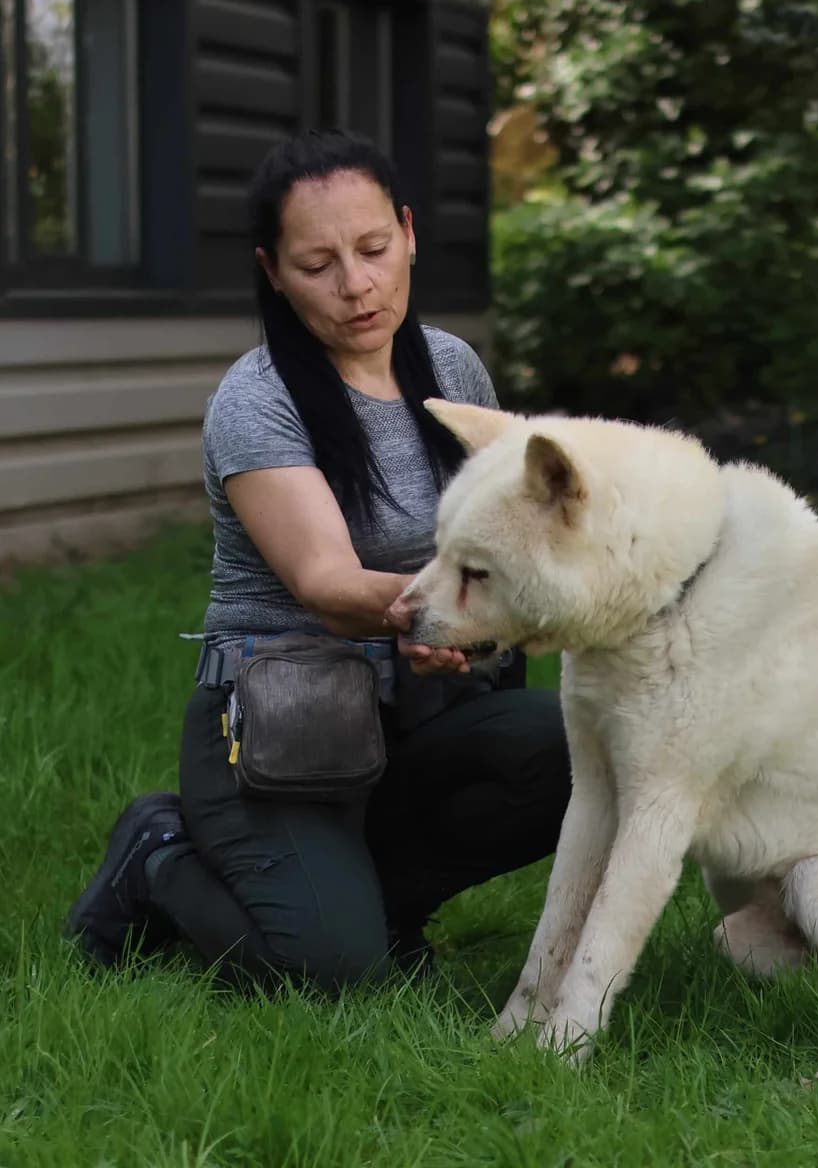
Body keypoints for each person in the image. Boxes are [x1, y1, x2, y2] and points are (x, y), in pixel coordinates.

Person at [65, 128, 571, 993]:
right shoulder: (255, 400)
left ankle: (376, 901)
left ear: (408, 232)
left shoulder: (452, 367)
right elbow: (329, 585)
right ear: (273, 270)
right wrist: (440, 610)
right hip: (281, 726)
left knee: (588, 751)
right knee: (332, 976)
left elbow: (519, 537)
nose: (356, 285)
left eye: (373, 249)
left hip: (427, 710)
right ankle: (157, 854)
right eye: (317, 264)